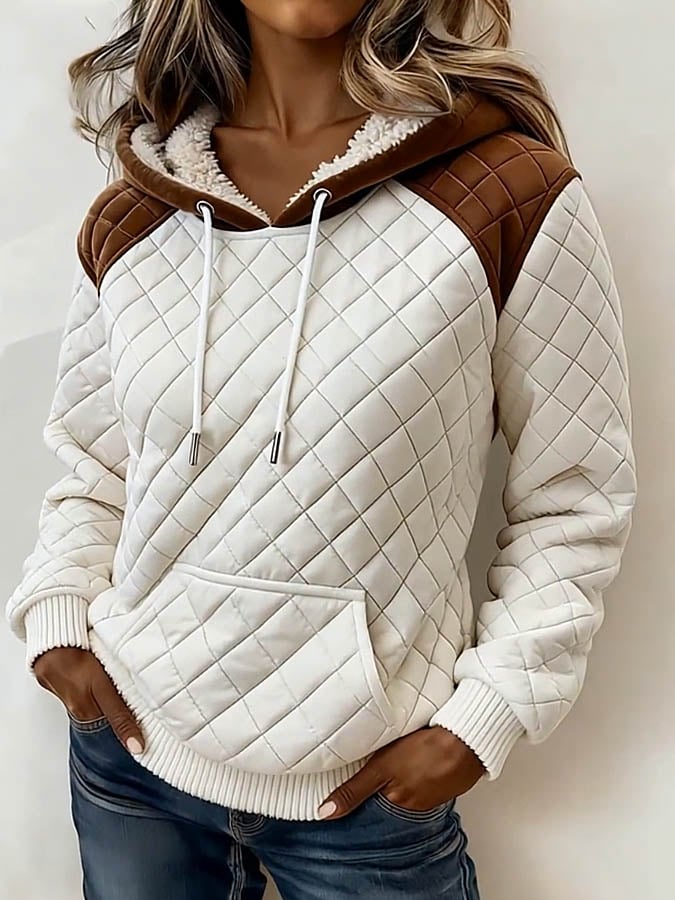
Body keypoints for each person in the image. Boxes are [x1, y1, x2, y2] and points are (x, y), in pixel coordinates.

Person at [6, 1, 638, 898]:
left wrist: (486, 718)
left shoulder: (506, 194)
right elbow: (95, 466)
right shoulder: (134, 212)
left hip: (367, 797)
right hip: (133, 762)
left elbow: (573, 497)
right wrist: (60, 623)